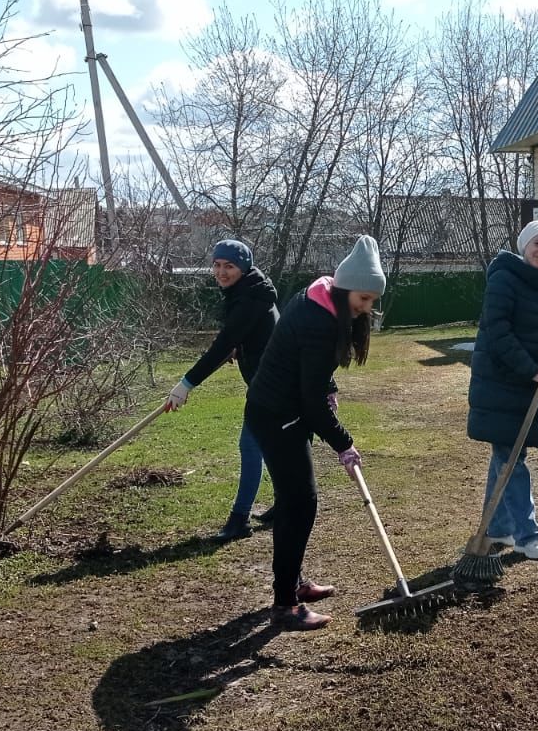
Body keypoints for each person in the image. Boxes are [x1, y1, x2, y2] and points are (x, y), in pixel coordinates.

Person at [243, 235, 385, 631]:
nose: (366, 310)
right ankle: (285, 604)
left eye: (371, 302)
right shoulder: (319, 320)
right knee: (300, 503)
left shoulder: (318, 296)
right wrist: (344, 443)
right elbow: (310, 405)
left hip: (279, 408)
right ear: (343, 290)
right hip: (278, 415)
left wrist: (328, 387)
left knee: (294, 503)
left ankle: (294, 583)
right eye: (363, 300)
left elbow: (309, 371)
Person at [466, 219, 538, 562]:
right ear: (524, 244)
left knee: (507, 454)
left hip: (525, 383)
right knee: (511, 454)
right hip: (501, 380)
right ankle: (527, 534)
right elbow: (499, 333)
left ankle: (497, 527)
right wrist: (533, 370)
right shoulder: (504, 278)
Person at [164, 239, 279, 543]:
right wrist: (241, 348)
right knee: (273, 446)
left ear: (243, 267)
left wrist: (185, 384)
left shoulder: (250, 297)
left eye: (229, 266)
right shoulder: (249, 290)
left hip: (274, 385)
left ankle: (239, 519)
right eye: (216, 264)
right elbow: (252, 333)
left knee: (251, 445)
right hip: (268, 380)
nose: (221, 272)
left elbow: (223, 343)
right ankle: (284, 503)